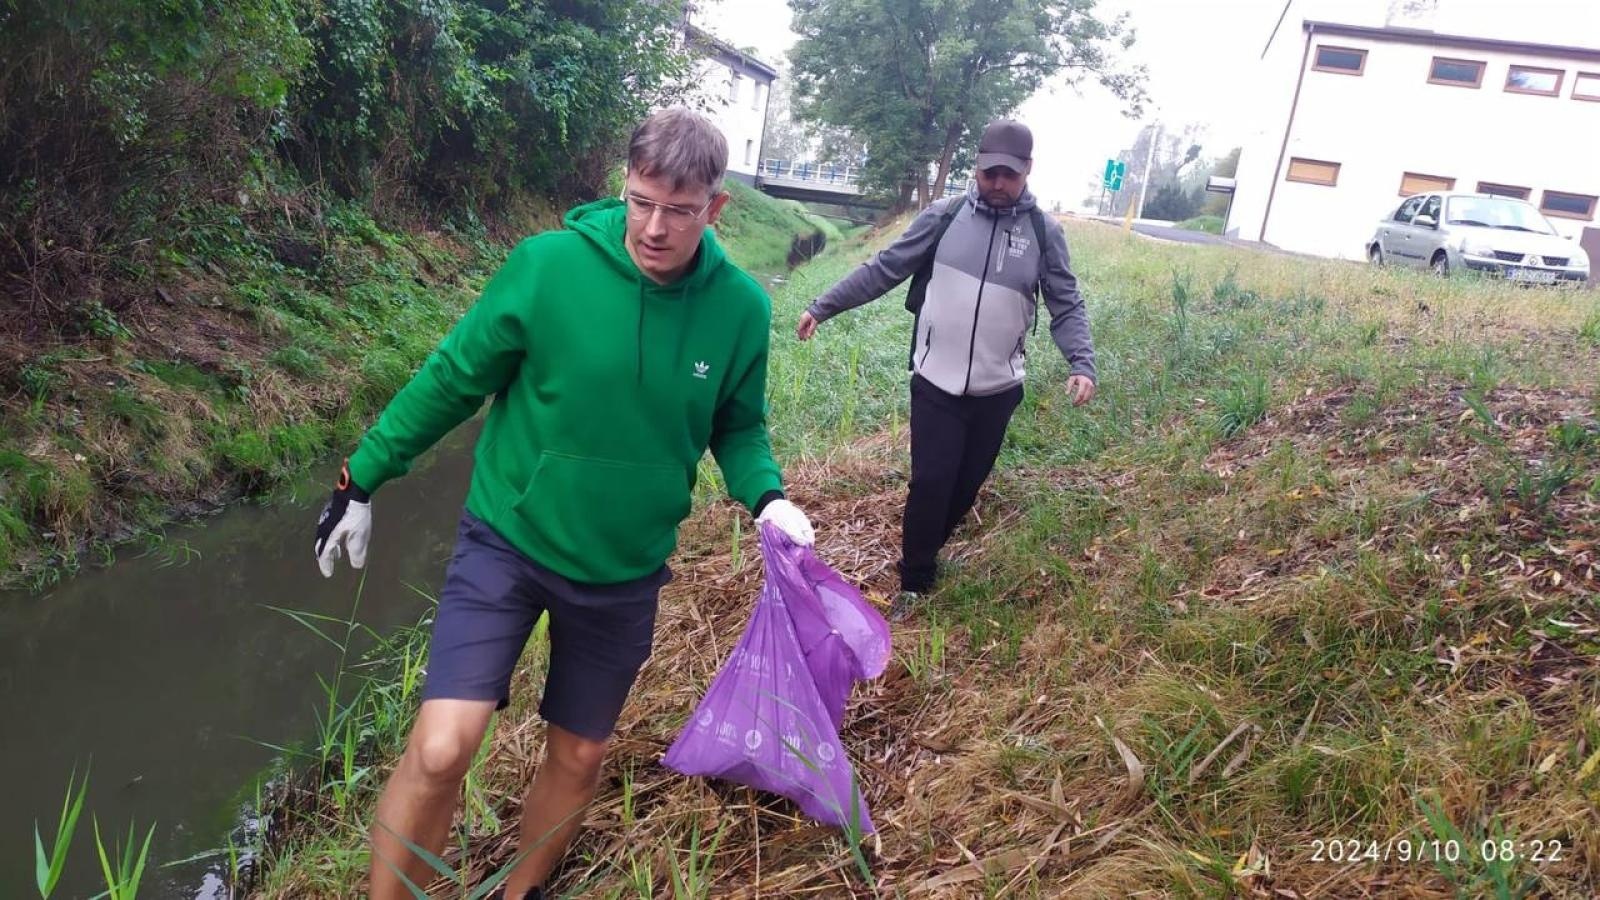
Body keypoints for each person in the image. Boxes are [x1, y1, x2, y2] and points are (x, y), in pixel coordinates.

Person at [312, 107, 816, 900]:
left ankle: (523, 892)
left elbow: (738, 424)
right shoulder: (548, 267)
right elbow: (454, 376)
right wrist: (361, 477)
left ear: (717, 208)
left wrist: (769, 498)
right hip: (508, 540)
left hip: (624, 567)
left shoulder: (742, 309)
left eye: (678, 211)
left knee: (578, 755)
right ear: (623, 187)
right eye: (639, 201)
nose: (652, 227)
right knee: (444, 749)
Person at [795, 119, 1095, 620]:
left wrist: (1081, 362)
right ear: (975, 168)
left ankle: (928, 547)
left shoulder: (1044, 233)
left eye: (1009, 175)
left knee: (965, 485)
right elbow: (885, 268)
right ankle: (914, 579)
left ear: (1027, 172)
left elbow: (1067, 304)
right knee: (930, 481)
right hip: (936, 378)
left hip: (999, 387)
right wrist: (824, 306)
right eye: (989, 173)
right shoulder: (945, 216)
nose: (998, 184)